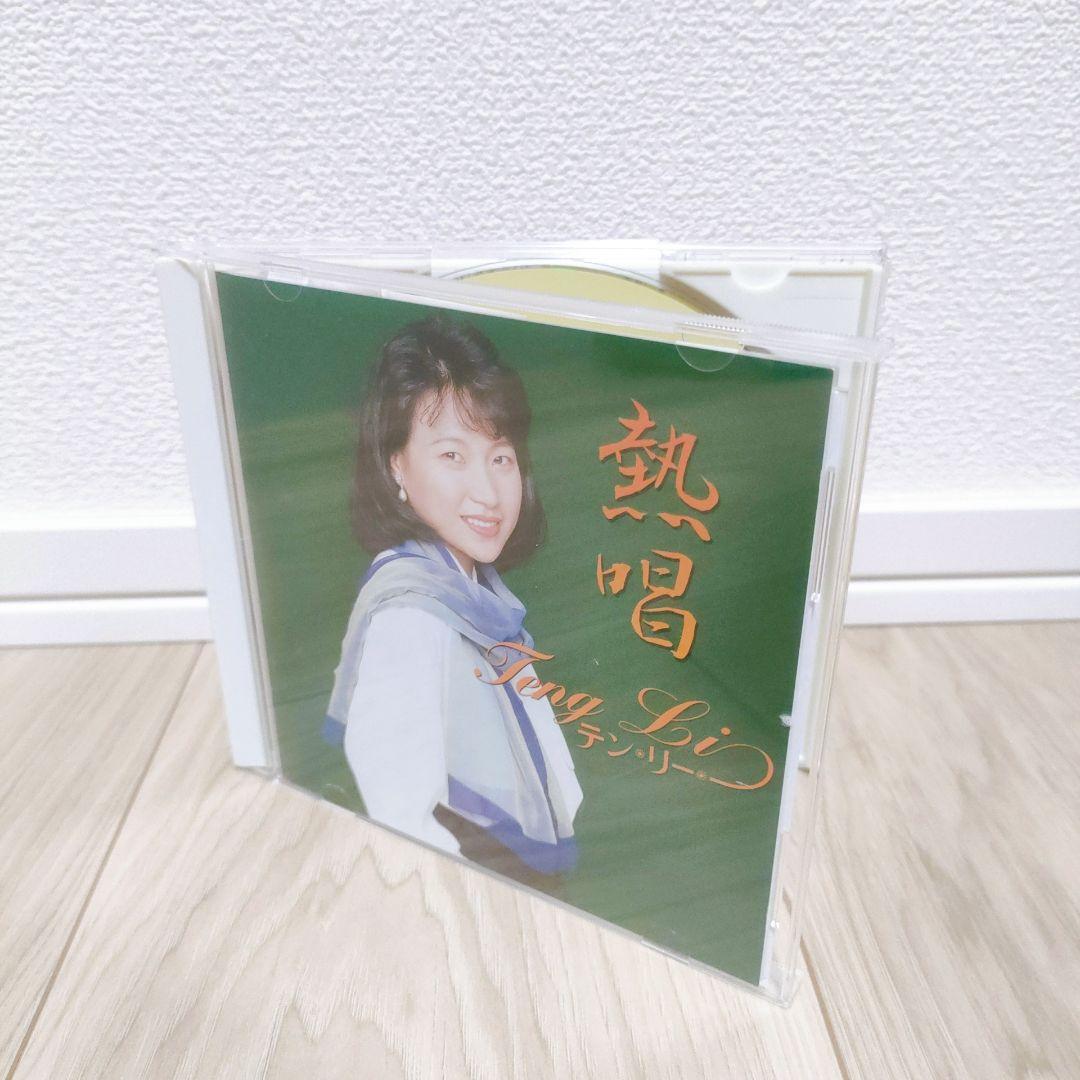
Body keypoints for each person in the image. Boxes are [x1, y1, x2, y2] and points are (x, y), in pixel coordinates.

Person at [323, 315, 582, 883]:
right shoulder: (411, 617)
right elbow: (400, 816)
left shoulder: (482, 602)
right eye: (451, 456)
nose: (487, 492)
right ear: (396, 464)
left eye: (501, 457)